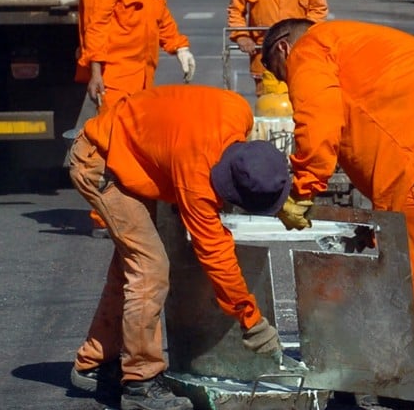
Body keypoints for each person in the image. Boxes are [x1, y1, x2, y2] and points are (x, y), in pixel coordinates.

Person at [261, 18, 414, 410]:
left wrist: (302, 189)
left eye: (286, 80)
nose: (293, 89)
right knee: (404, 282)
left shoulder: (311, 48)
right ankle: (399, 375)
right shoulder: (358, 42)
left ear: (283, 50)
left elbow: (319, 121)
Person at [66, 85, 294, 410]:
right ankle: (140, 385)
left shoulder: (238, 109)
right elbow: (217, 257)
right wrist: (251, 320)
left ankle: (94, 363)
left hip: (132, 146)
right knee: (149, 270)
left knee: (129, 269)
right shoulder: (196, 180)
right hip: (101, 164)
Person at [78, 0, 196, 235]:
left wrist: (179, 47)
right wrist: (96, 72)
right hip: (114, 77)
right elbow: (96, 27)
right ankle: (104, 219)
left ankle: (131, 210)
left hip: (142, 76)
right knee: (110, 146)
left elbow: (160, 16)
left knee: (134, 148)